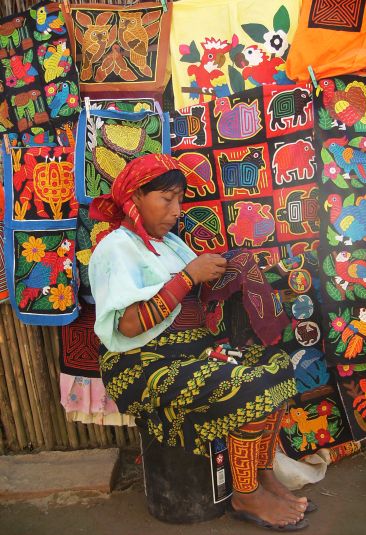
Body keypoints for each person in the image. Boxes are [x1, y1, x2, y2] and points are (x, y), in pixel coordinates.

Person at [88, 153, 312, 531]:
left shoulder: (171, 244)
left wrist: (238, 267)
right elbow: (128, 325)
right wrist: (188, 276)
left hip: (188, 351)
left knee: (274, 366)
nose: (177, 210)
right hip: (142, 363)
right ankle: (245, 494)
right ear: (135, 197)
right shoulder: (116, 248)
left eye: (179, 199)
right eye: (166, 198)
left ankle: (261, 475)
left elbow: (203, 290)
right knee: (246, 386)